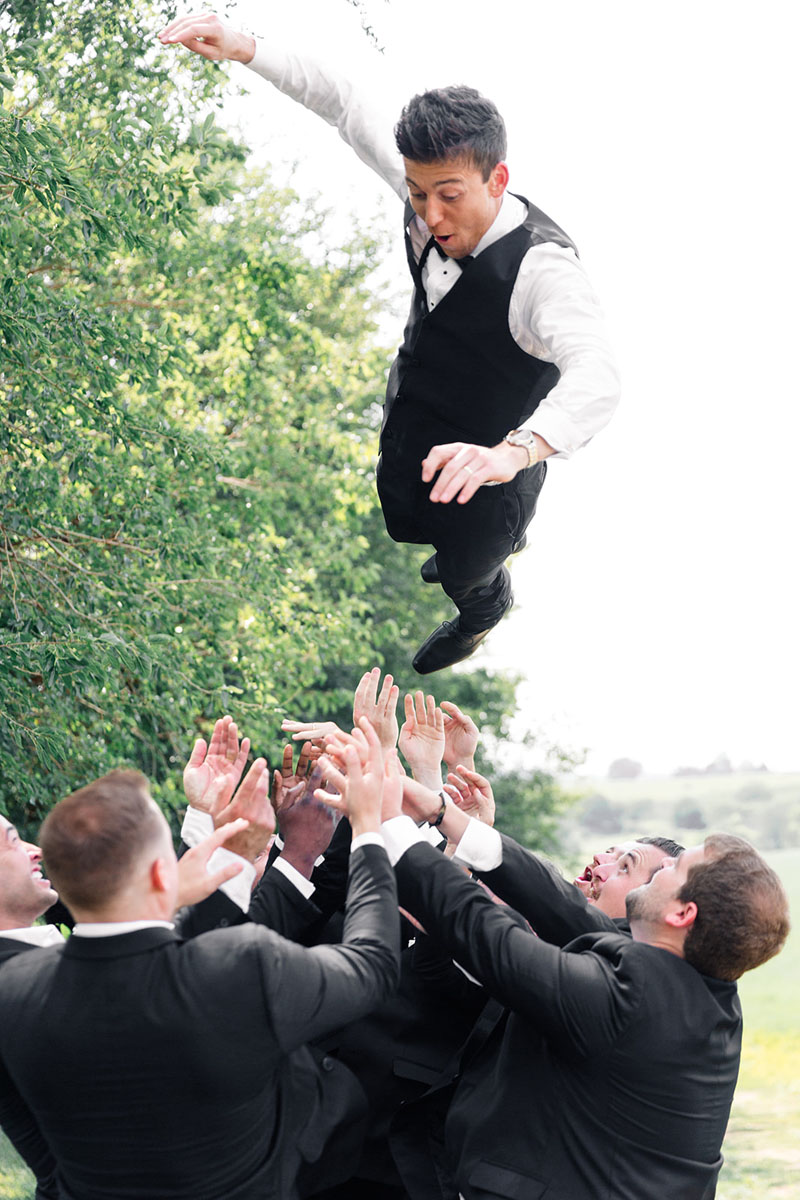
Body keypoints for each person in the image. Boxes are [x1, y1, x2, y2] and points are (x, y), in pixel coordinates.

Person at [158, 13, 621, 673]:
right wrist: (243, 48)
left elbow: (598, 375)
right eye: (418, 193)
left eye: (450, 197)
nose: (431, 216)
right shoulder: (428, 190)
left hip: (493, 468)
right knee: (402, 513)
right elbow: (344, 100)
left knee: (466, 563)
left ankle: (484, 607)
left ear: (497, 179)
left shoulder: (543, 271)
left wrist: (511, 454)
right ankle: (440, 537)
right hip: (419, 409)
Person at [0, 741, 400, 1200]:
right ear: (160, 875)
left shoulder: (13, 991)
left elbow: (145, 966)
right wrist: (370, 826)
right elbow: (373, 963)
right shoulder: (240, 963)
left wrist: (223, 859)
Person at [363, 782, 790, 1200]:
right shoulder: (701, 988)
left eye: (672, 870)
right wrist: (445, 814)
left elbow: (493, 941)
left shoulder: (632, 998)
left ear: (683, 913)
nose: (662, 868)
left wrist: (390, 823)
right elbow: (566, 908)